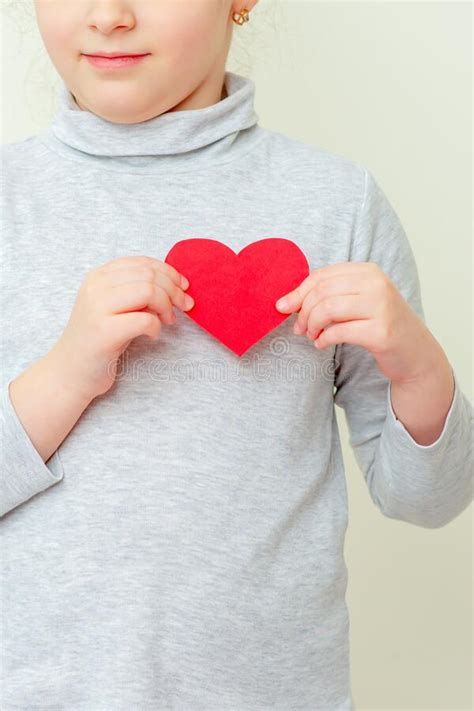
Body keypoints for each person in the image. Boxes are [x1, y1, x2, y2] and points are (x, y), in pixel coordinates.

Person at [1, 2, 472, 709]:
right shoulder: (11, 201)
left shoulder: (337, 203)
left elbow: (428, 499)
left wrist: (419, 366)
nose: (107, 15)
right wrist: (67, 371)